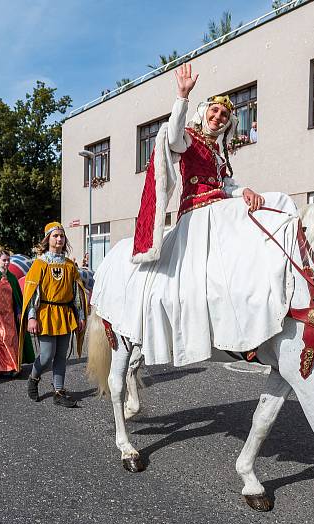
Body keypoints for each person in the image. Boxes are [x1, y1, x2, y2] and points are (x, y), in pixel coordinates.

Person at [92, 63, 298, 367]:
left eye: (224, 116)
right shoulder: (189, 136)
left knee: (275, 202)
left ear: (228, 124)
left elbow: (227, 185)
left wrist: (246, 192)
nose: (218, 118)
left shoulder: (218, 153)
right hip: (199, 214)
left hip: (219, 209)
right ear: (204, 114)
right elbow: (173, 139)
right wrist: (182, 97)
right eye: (214, 112)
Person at [20, 223, 87, 407]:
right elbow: (32, 292)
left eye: (62, 236)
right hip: (46, 313)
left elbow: (77, 292)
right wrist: (32, 316)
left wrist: (80, 315)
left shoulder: (69, 265)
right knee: (47, 355)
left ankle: (59, 391)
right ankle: (34, 377)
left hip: (65, 313)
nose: (59, 239)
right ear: (48, 239)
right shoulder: (39, 263)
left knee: (61, 355)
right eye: (55, 236)